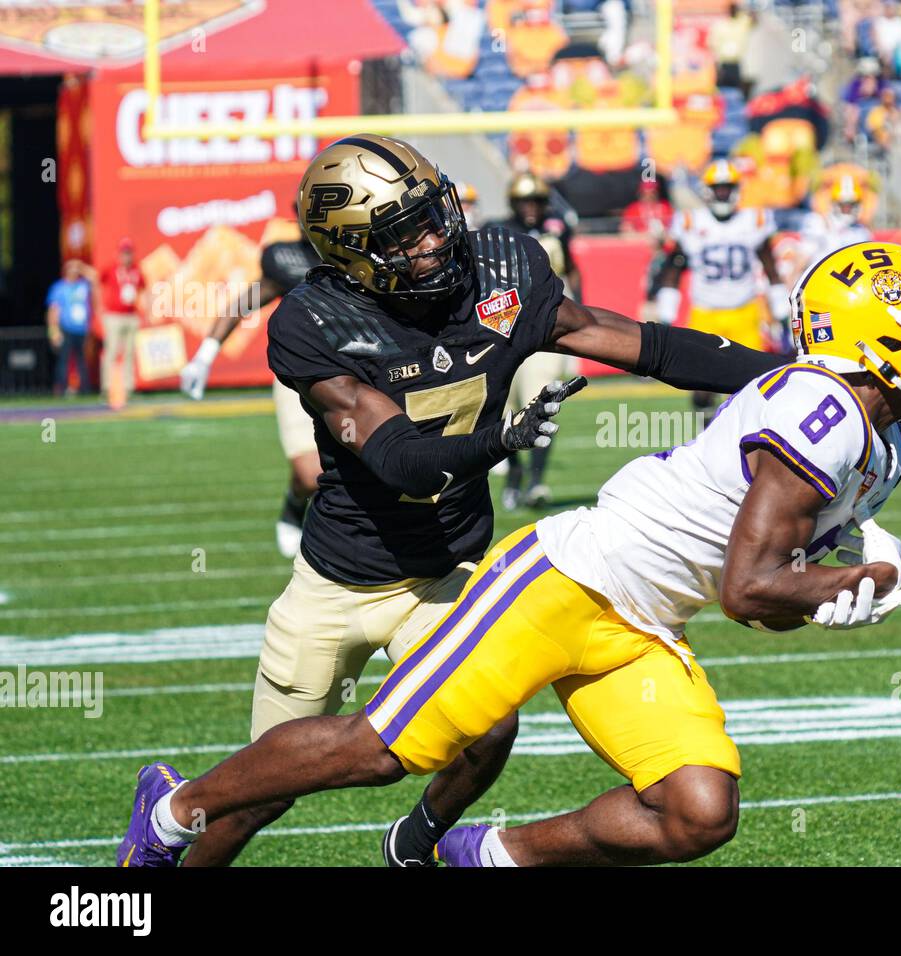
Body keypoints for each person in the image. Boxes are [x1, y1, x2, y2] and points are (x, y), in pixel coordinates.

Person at [118, 240, 901, 869]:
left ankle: (483, 855)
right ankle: (176, 808)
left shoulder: (880, 442)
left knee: (697, 810)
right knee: (384, 748)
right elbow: (752, 590)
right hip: (563, 583)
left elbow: (756, 603)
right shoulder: (821, 411)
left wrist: (828, 596)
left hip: (641, 624)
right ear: (876, 334)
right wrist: (854, 580)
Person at [136, 134, 789, 868]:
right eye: (404, 232)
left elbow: (648, 346)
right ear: (353, 253)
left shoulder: (500, 268)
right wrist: (500, 442)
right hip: (340, 580)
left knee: (489, 732)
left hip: (448, 569)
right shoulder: (314, 322)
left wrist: (795, 374)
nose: (436, 237)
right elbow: (399, 462)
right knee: (259, 793)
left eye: (433, 212)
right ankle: (161, 840)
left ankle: (414, 845)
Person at [180, 209, 326, 558]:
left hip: (358, 375)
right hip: (300, 377)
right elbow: (243, 303)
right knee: (310, 476)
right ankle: (294, 505)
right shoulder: (285, 259)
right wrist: (205, 353)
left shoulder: (358, 257)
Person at [655, 158, 790, 417]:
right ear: (707, 190)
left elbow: (771, 269)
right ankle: (707, 433)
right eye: (718, 188)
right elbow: (672, 272)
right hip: (706, 313)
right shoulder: (690, 223)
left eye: (727, 187)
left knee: (753, 383)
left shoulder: (754, 220)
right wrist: (666, 317)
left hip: (745, 312)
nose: (723, 193)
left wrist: (782, 314)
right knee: (700, 383)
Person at [489, 172, 581, 510]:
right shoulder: (497, 231)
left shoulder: (557, 230)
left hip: (548, 330)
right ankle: (514, 475)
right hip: (507, 329)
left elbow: (571, 269)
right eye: (526, 201)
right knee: (505, 407)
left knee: (541, 402)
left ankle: (537, 481)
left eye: (537, 201)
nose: (532, 208)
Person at [98, 238, 147, 405]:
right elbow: (98, 283)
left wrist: (144, 312)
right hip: (113, 316)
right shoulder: (111, 270)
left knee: (129, 353)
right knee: (111, 351)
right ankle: (107, 387)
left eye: (129, 253)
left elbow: (143, 291)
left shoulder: (137, 271)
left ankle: (129, 387)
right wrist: (100, 308)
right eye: (124, 253)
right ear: (119, 254)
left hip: (131, 315)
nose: (126, 256)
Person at [46, 259, 94, 397]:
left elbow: (95, 277)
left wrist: (80, 267)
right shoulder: (59, 287)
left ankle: (85, 390)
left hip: (82, 329)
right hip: (66, 328)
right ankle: (61, 388)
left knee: (82, 360)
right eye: (71, 269)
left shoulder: (83, 285)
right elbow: (53, 310)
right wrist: (53, 330)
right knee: (64, 360)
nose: (73, 272)